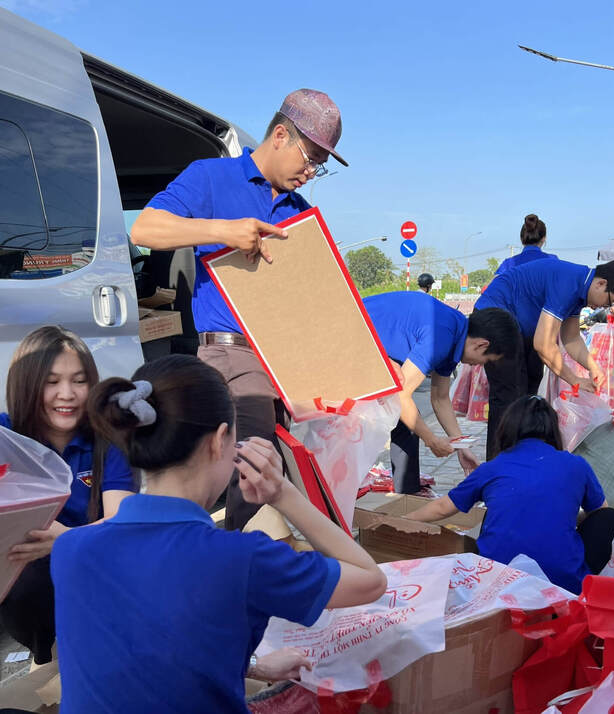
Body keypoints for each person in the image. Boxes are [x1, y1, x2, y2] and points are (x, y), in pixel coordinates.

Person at [50, 354, 387, 714]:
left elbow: (147, 651)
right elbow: (370, 579)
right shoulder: (242, 559)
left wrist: (255, 666)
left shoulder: (71, 550)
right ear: (220, 440)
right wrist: (283, 492)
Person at [131, 88, 347, 532]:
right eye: (310, 159)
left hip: (282, 361)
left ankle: (259, 562)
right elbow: (144, 228)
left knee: (283, 467)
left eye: (319, 167)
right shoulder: (211, 177)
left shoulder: (299, 213)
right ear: (281, 134)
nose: (310, 173)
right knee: (255, 463)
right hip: (231, 352)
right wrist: (223, 230)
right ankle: (235, 569)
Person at [0, 326, 137, 664]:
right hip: (23, 567)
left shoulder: (107, 439)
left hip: (93, 557)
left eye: (79, 380)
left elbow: (120, 524)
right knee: (27, 585)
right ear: (27, 384)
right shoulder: (9, 436)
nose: (67, 393)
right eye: (51, 381)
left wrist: (67, 539)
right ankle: (44, 654)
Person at [405, 395, 614, 594]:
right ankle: (597, 592)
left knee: (493, 520)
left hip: (494, 581)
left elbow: (442, 507)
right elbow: (601, 515)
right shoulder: (576, 464)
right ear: (553, 431)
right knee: (611, 519)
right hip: (563, 584)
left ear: (507, 429)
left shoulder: (493, 468)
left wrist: (400, 521)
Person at [474, 258, 614, 459]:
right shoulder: (568, 283)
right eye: (610, 302)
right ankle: (498, 467)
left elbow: (570, 339)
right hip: (495, 319)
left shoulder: (580, 290)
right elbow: (544, 345)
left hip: (520, 327)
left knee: (529, 396)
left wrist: (592, 367)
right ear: (601, 283)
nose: (604, 308)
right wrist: (575, 380)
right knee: (510, 399)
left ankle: (520, 460)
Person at [363, 291, 520, 494]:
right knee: (374, 425)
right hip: (348, 337)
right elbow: (400, 396)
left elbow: (440, 398)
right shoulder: (442, 336)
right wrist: (432, 440)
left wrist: (462, 448)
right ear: (482, 344)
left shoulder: (455, 334)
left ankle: (405, 502)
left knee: (409, 424)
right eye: (486, 360)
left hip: (368, 347)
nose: (480, 365)